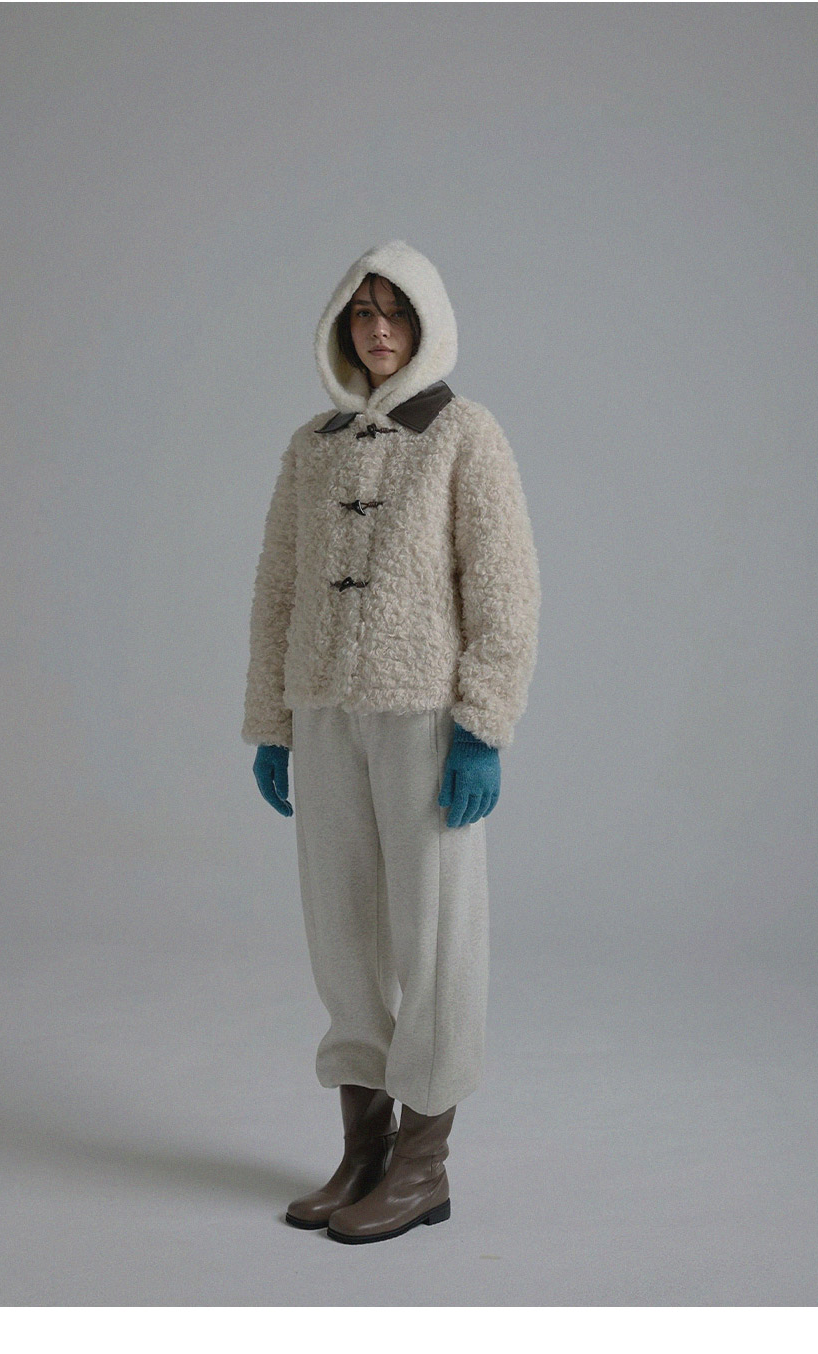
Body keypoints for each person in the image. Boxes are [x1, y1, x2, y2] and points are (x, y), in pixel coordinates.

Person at [241, 239, 541, 1244]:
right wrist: (273, 723)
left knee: (436, 936)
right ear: (342, 325)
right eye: (363, 312)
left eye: (397, 312)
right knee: (343, 934)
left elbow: (505, 586)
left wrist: (482, 726)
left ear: (426, 324)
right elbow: (278, 587)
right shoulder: (312, 445)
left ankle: (423, 1166)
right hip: (326, 712)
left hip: (423, 717)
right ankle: (363, 1150)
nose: (378, 329)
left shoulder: (464, 433)